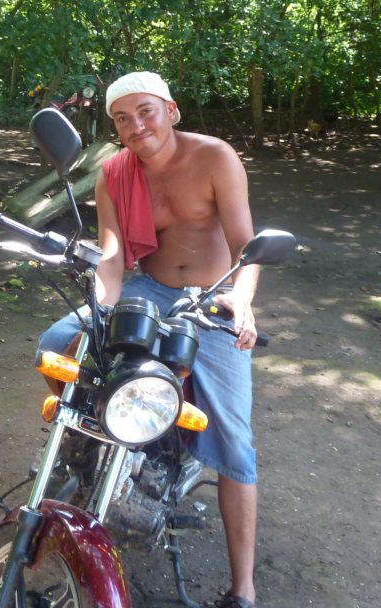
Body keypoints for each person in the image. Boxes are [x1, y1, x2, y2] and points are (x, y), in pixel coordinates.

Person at [38, 71, 261, 608]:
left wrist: (243, 299)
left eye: (146, 112)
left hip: (213, 295)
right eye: (123, 119)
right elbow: (113, 255)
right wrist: (101, 307)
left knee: (234, 439)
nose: (136, 126)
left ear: (171, 110)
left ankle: (244, 587)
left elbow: (246, 247)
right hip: (149, 288)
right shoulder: (113, 174)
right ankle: (86, 446)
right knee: (59, 342)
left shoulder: (215, 157)